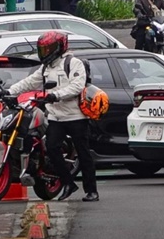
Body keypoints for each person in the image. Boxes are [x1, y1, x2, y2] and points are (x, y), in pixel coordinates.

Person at [6, 31, 98, 202]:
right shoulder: (45, 68)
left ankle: (91, 191)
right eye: (42, 49)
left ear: (59, 47)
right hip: (56, 116)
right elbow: (29, 82)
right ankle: (68, 183)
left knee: (83, 153)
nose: (44, 52)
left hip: (76, 116)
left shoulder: (74, 63)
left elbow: (77, 86)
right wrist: (10, 91)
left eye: (48, 49)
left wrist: (56, 95)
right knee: (52, 149)